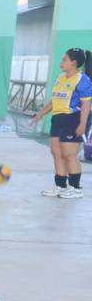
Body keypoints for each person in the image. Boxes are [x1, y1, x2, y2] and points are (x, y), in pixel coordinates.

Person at [30, 48, 92, 199]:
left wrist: (82, 124)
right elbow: (55, 100)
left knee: (69, 154)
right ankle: (60, 186)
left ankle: (75, 188)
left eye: (65, 59)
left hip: (73, 118)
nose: (61, 62)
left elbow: (86, 104)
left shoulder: (82, 80)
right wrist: (41, 113)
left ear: (74, 62)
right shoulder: (61, 78)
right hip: (58, 119)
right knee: (56, 153)